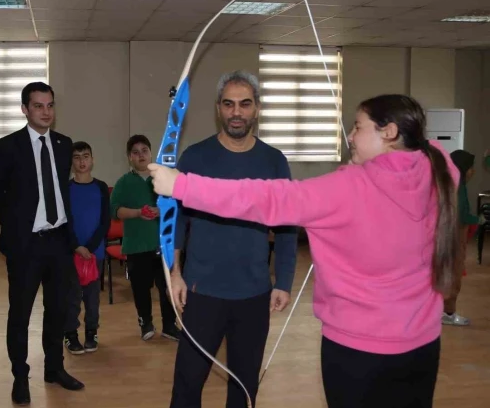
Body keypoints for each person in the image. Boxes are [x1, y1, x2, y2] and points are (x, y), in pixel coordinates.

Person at [149, 94, 461, 408]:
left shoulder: (346, 187)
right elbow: (432, 148)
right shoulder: (439, 171)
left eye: (358, 127)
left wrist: (181, 186)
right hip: (423, 346)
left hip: (357, 353)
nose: (350, 136)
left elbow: (264, 199)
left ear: (389, 132)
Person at [169, 71, 298, 408]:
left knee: (243, 386)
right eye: (229, 104)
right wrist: (175, 272)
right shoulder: (195, 157)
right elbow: (178, 220)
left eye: (244, 104)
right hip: (202, 292)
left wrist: (283, 281)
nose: (236, 112)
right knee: (187, 382)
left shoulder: (273, 161)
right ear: (218, 109)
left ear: (256, 109)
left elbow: (287, 226)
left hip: (254, 295)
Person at [0, 82, 85, 405]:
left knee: (57, 310)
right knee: (21, 313)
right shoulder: (6, 146)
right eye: (39, 106)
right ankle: (19, 375)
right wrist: (17, 230)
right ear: (25, 109)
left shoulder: (63, 143)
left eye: (50, 105)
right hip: (26, 245)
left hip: (58, 242)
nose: (46, 112)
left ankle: (54, 368)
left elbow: (61, 191)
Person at [110, 134, 179, 341]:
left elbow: (176, 206)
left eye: (144, 151)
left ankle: (169, 325)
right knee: (141, 289)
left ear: (151, 153)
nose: (140, 155)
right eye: (135, 152)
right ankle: (146, 324)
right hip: (136, 245)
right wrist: (138, 213)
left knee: (166, 287)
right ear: (129, 157)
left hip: (163, 244)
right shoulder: (123, 182)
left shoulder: (163, 178)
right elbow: (115, 211)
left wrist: (161, 210)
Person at [63, 141, 111, 354]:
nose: (82, 161)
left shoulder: (101, 187)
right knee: (72, 296)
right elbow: (64, 221)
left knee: (92, 297)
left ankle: (92, 332)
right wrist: (76, 246)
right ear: (71, 162)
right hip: (71, 252)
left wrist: (89, 248)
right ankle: (70, 335)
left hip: (94, 253)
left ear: (92, 160)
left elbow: (105, 221)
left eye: (85, 156)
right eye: (77, 157)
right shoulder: (66, 188)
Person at [443, 150, 485, 326]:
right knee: (454, 275)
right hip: (454, 235)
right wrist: (478, 219)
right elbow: (461, 214)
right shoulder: (458, 186)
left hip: (447, 234)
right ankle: (448, 314)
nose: (473, 171)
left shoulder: (449, 181)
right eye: (471, 167)